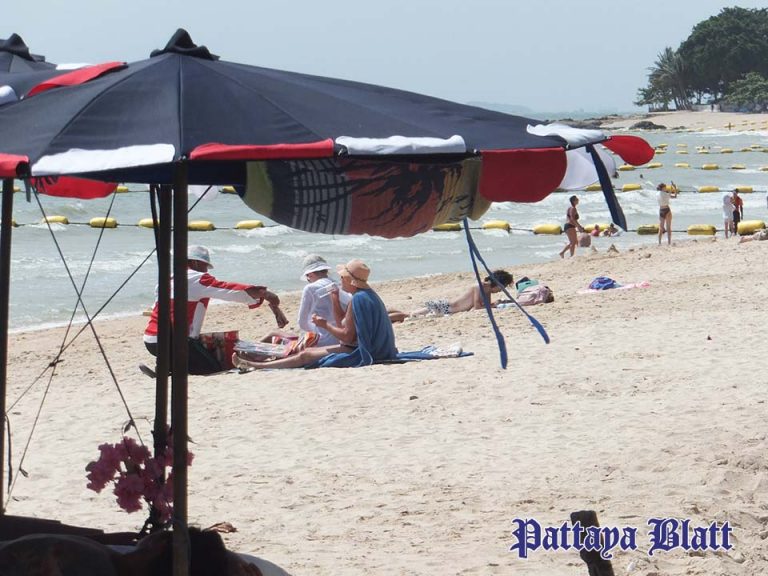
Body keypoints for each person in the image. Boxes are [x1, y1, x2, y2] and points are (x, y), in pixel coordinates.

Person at [143, 245, 287, 375]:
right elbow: (230, 290)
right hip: (175, 342)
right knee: (214, 367)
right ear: (195, 263)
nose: (206, 271)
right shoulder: (197, 279)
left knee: (203, 350)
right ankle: (173, 367)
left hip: (151, 340)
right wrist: (265, 294)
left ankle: (167, 364)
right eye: (205, 266)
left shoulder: (167, 279)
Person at [233, 259, 397, 370]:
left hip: (364, 351)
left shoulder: (358, 299)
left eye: (343, 278)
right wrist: (334, 299)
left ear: (350, 281)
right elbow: (343, 324)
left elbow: (347, 336)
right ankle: (254, 361)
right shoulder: (365, 295)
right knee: (305, 353)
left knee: (305, 355)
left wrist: (324, 325)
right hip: (376, 348)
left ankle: (256, 365)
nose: (340, 281)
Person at [260, 254, 352, 348]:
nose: (308, 280)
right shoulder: (339, 285)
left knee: (272, 334)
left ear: (310, 274)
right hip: (341, 338)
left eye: (308, 278)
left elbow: (302, 323)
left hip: (321, 342)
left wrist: (316, 328)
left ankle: (250, 353)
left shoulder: (310, 288)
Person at [388, 269, 513, 321]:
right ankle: (385, 318)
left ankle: (386, 313)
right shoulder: (480, 286)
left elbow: (485, 305)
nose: (501, 290)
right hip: (445, 307)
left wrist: (496, 303)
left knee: (409, 313)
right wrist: (494, 306)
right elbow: (477, 307)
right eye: (503, 287)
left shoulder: (487, 290)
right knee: (409, 315)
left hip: (448, 308)